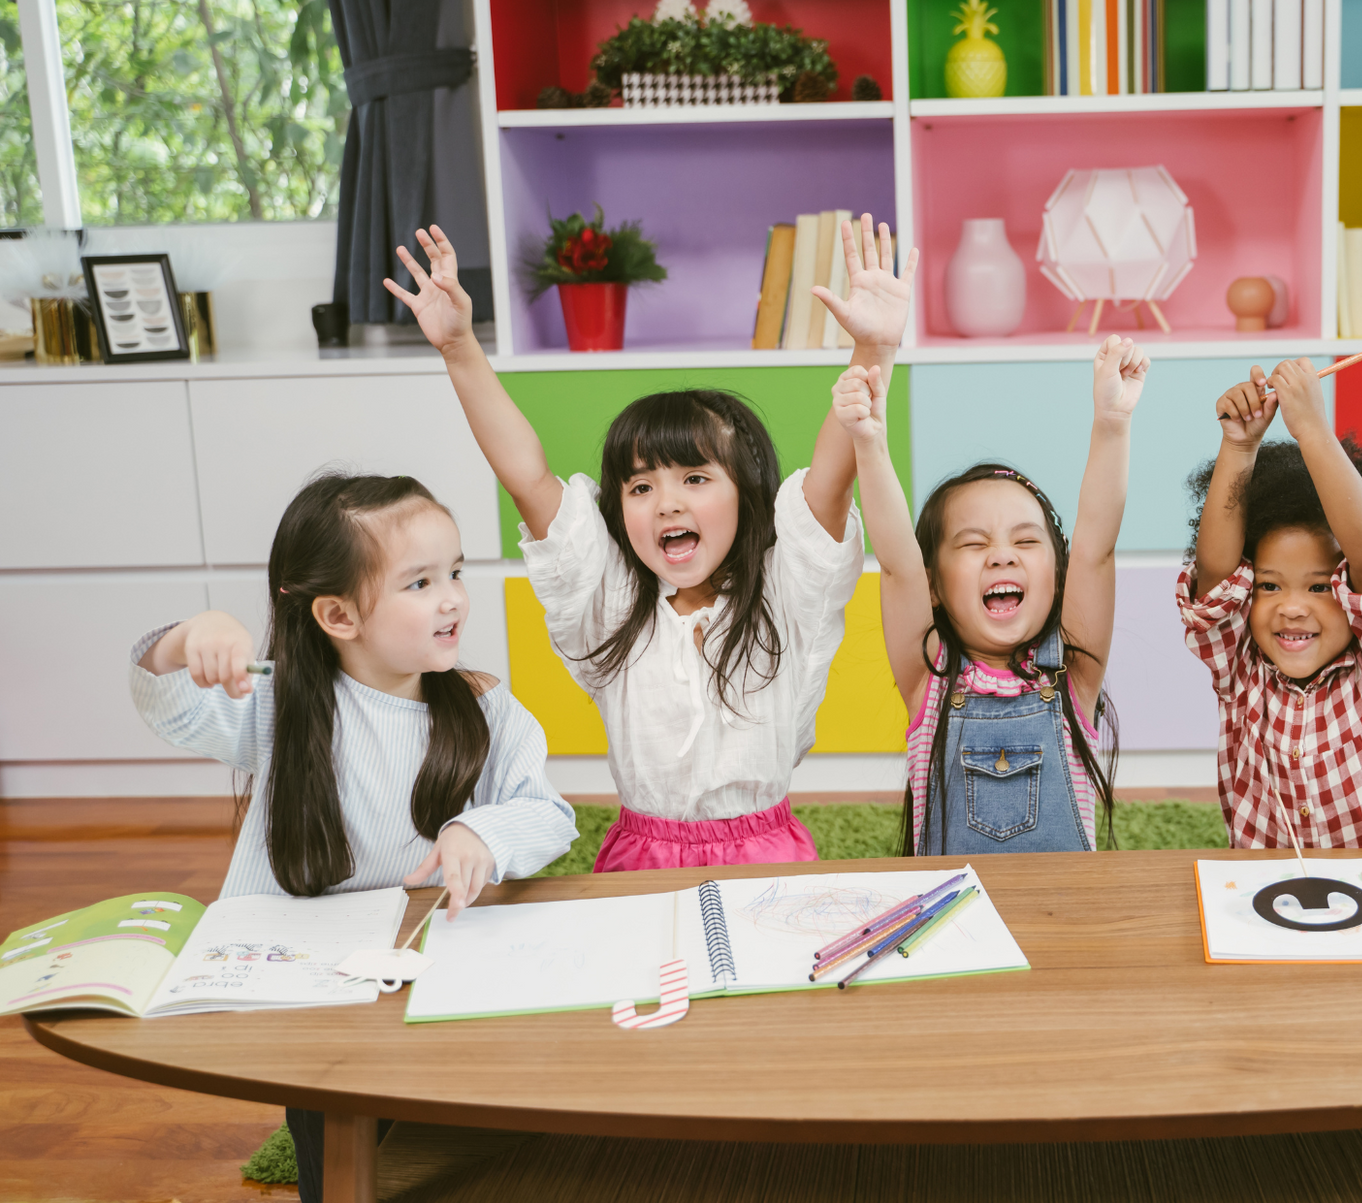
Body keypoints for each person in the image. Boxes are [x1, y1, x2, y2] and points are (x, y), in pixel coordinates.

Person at [385, 219, 914, 870]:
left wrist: (873, 348)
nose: (667, 501)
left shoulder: (786, 597)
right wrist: (461, 346)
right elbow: (526, 475)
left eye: (695, 478)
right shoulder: (610, 606)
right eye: (641, 486)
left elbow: (831, 484)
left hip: (767, 855)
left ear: (748, 499)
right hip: (641, 856)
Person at [129, 471, 577, 1203]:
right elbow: (170, 706)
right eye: (421, 582)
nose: (453, 597)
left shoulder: (485, 705)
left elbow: (547, 811)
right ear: (338, 614)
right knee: (335, 1134)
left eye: (455, 572)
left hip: (433, 959)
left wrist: (481, 831)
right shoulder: (278, 702)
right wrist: (186, 639)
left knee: (450, 1127)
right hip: (305, 985)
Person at [834, 334, 1148, 854]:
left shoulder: (1075, 674)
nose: (1002, 555)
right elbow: (896, 566)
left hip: (1065, 923)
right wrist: (869, 442)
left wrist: (1112, 423)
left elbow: (1096, 546)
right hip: (954, 926)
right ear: (934, 586)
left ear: (1057, 576)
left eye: (1025, 541)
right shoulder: (928, 677)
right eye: (974, 543)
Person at [1178, 358, 1362, 849]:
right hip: (1266, 889)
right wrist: (1239, 446)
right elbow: (1216, 578)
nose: (1291, 607)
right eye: (1269, 586)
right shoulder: (1240, 671)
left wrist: (1312, 431)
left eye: (1319, 587)